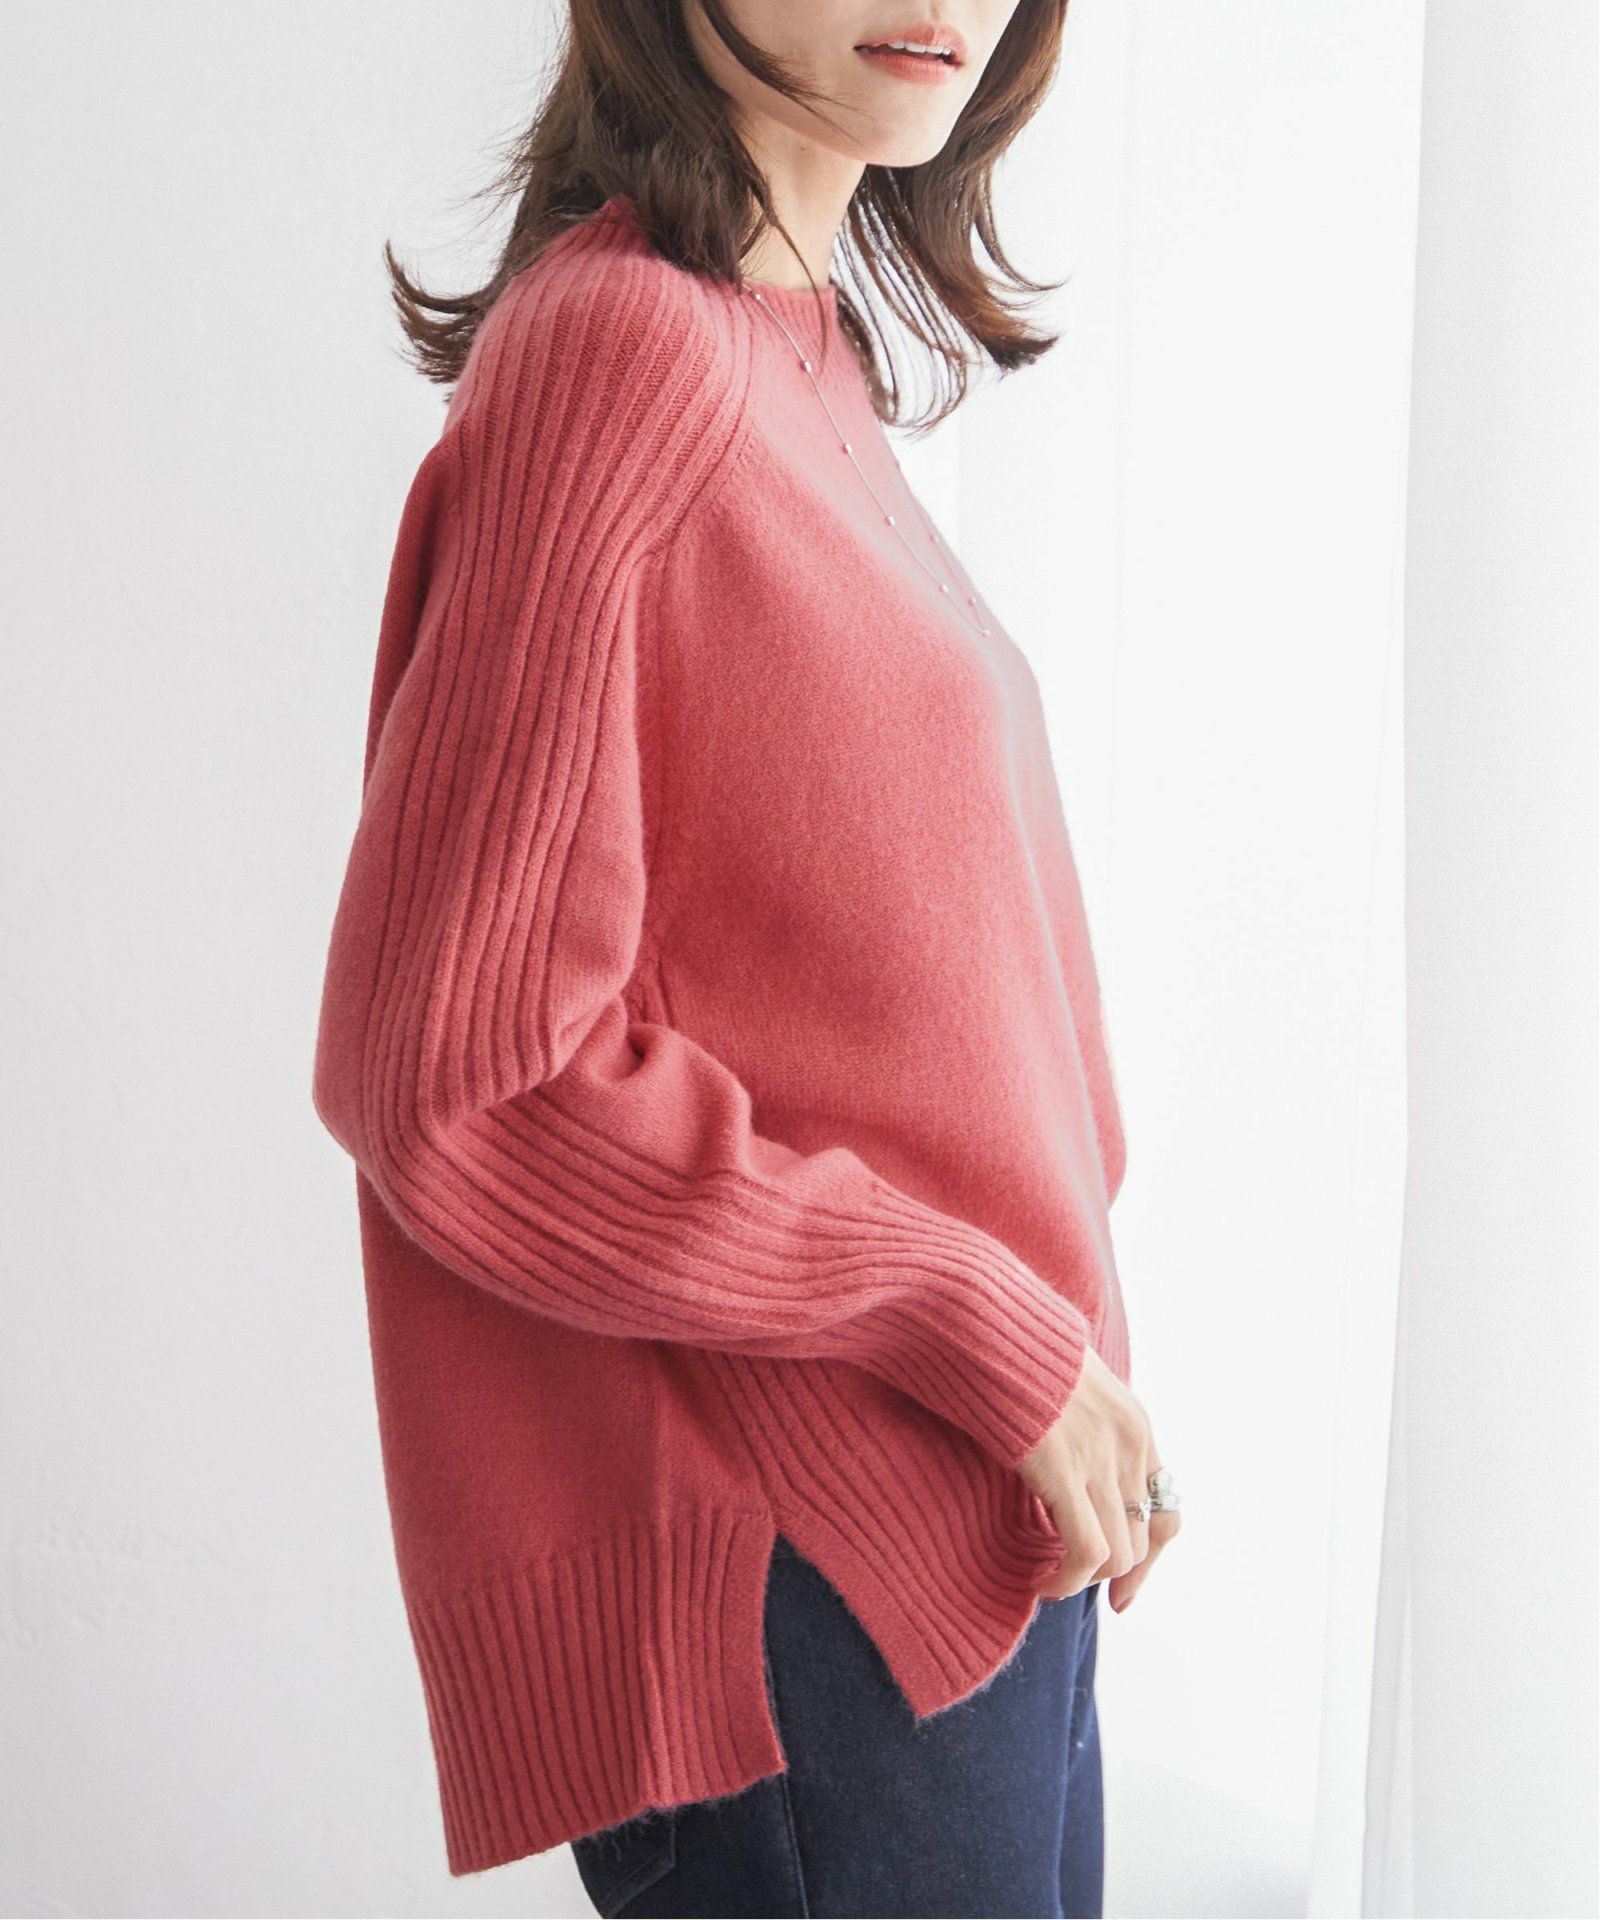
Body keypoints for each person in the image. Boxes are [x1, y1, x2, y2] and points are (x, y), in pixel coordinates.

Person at [310, 3, 1182, 1914]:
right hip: (816, 1599)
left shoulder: (791, 351)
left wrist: (1056, 1367)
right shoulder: (616, 355)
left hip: (974, 1541)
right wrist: (987, 1332)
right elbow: (456, 1073)